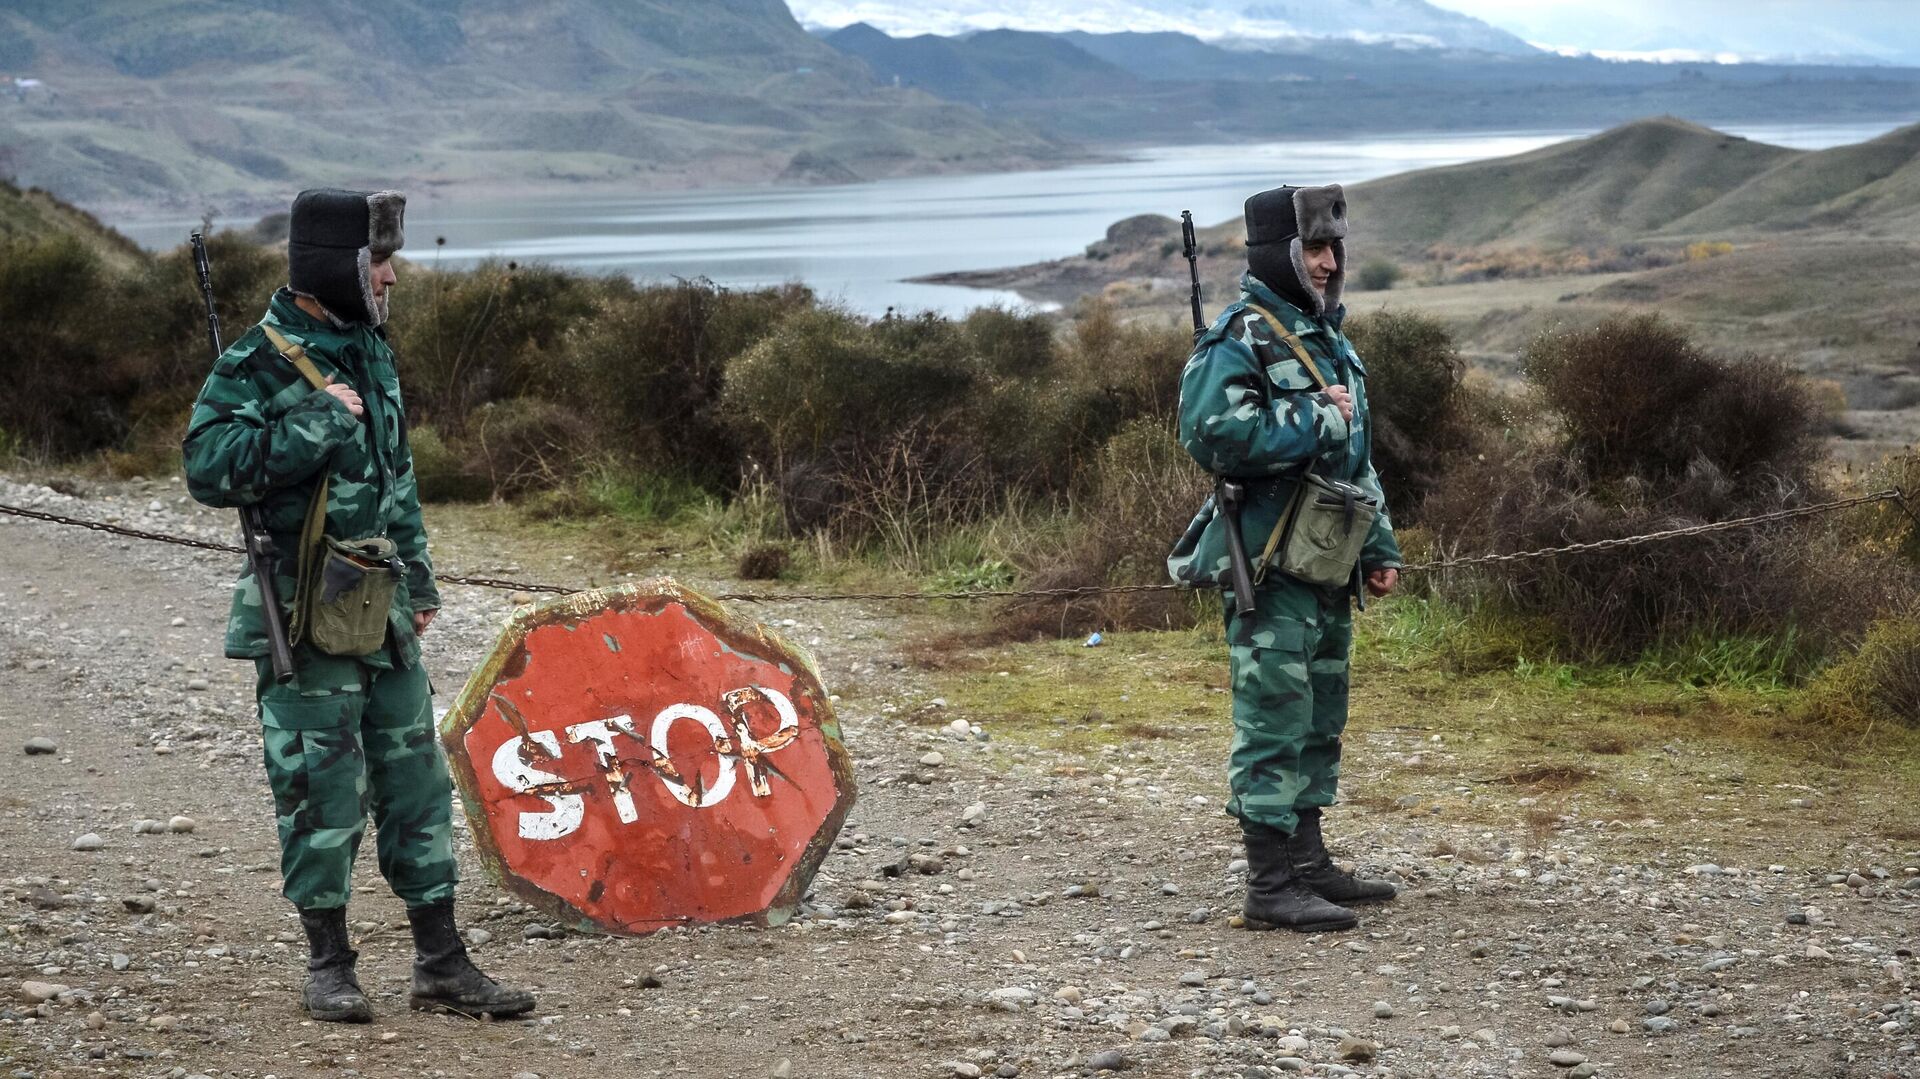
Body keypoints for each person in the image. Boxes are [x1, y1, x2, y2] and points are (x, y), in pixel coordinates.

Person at [183, 188, 534, 1021]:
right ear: (334, 267)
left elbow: (397, 474)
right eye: (379, 261)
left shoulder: (370, 349)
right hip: (306, 616)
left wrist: (418, 582)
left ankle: (442, 964)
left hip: (382, 612)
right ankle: (329, 964)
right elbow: (206, 465)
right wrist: (310, 420)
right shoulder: (255, 362)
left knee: (417, 783)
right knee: (320, 788)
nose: (392, 275)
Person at [1169, 184, 1402, 933]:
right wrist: (1316, 416)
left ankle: (1308, 861)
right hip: (1268, 563)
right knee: (1273, 714)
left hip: (1326, 560)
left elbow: (1355, 457)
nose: (1329, 262)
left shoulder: (1327, 335)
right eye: (1313, 249)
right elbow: (1212, 433)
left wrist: (1378, 545)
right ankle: (1269, 884)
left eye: (1334, 248)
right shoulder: (1240, 335)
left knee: (1320, 709)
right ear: (1280, 253)